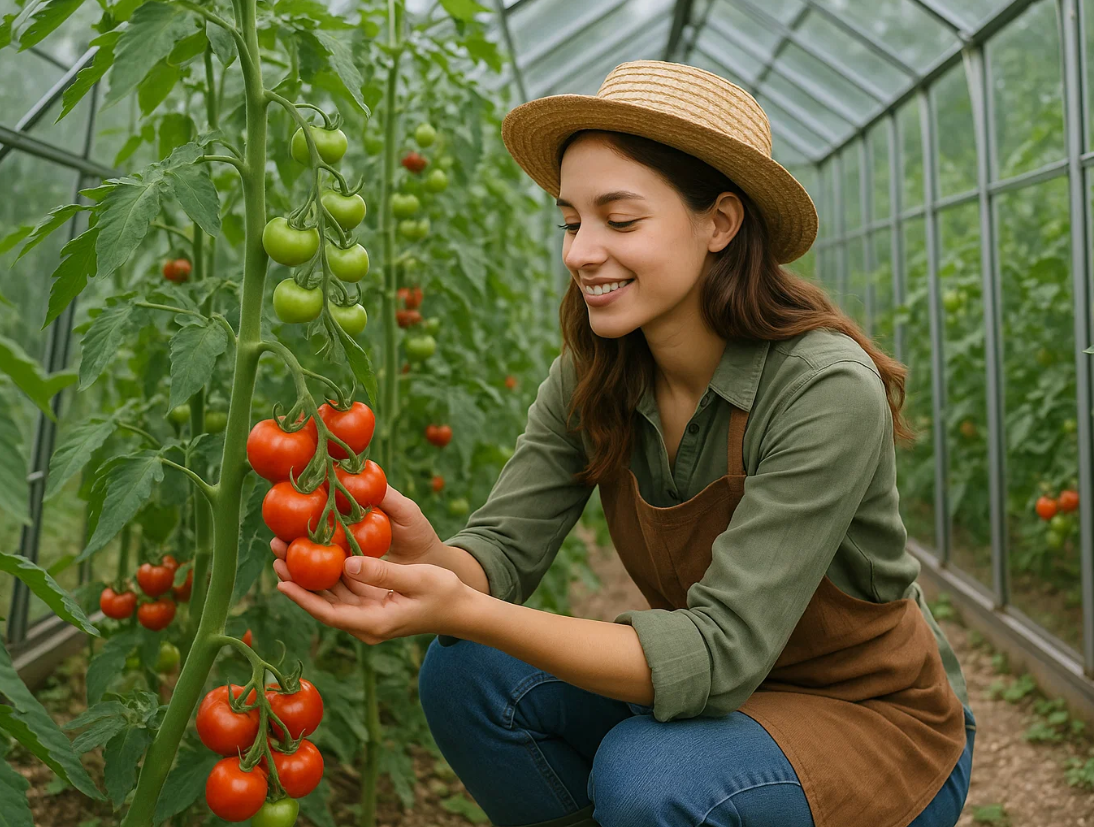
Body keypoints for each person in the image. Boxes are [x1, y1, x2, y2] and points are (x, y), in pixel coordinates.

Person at [269, 59, 976, 827]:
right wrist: (431, 562)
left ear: (721, 222)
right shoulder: (595, 370)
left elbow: (718, 649)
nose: (579, 252)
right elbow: (503, 550)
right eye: (571, 222)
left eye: (620, 219)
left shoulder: (822, 386)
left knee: (651, 776)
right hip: (726, 700)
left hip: (872, 723)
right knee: (464, 671)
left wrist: (466, 608)